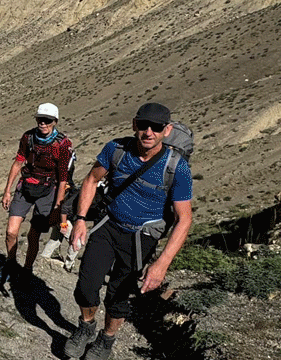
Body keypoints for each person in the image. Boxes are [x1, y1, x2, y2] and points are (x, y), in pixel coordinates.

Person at [64, 103, 193, 360]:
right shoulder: (116, 149)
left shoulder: (177, 168)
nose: (149, 132)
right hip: (109, 225)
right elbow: (91, 180)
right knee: (86, 286)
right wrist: (80, 220)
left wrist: (162, 264)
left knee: (118, 296)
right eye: (143, 125)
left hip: (141, 237)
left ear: (167, 130)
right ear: (134, 124)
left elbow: (184, 219)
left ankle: (106, 340)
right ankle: (86, 326)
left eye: (156, 127)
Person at [0, 103, 75, 281]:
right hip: (26, 187)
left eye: (47, 120)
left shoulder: (62, 144)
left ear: (55, 121)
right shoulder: (28, 137)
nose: (43, 123)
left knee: (34, 235)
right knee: (11, 232)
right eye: (40, 119)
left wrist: (58, 206)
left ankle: (27, 269)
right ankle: (10, 264)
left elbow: (63, 178)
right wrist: (7, 191)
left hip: (47, 191)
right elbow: (18, 163)